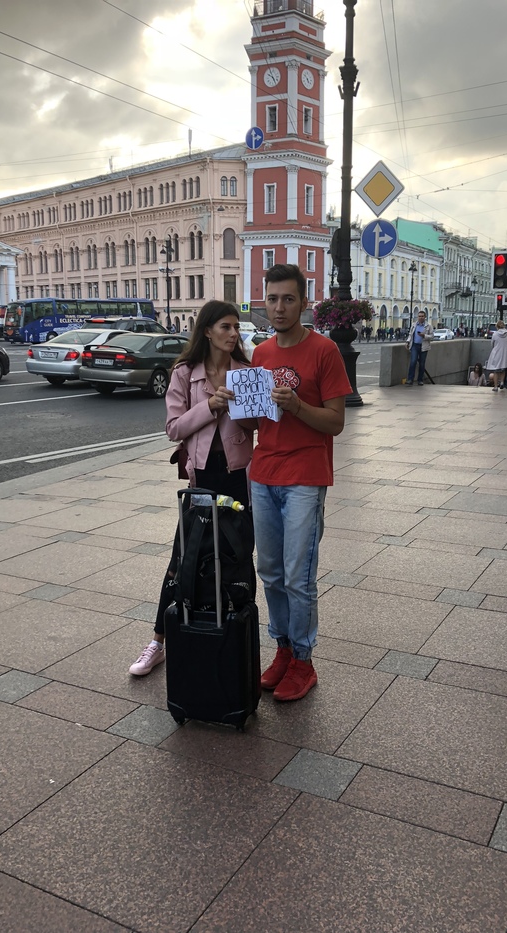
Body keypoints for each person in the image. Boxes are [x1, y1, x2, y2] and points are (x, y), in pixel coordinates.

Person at [129, 300, 254, 676]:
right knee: (183, 559)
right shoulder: (185, 373)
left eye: (236, 328)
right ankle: (158, 641)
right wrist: (211, 406)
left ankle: (236, 636)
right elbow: (173, 429)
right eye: (226, 328)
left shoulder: (246, 371)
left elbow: (256, 428)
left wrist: (246, 410)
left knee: (239, 559)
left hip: (239, 476)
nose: (233, 335)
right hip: (202, 478)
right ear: (207, 331)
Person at [250, 264, 351, 702]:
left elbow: (335, 422)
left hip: (305, 477)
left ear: (304, 303)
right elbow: (256, 422)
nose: (278, 307)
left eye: (288, 299)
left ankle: (304, 662)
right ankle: (282, 650)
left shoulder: (324, 350)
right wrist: (233, 401)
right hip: (263, 474)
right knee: (269, 572)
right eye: (272, 299)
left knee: (298, 575)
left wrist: (297, 407)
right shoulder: (261, 354)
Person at [406, 310, 434, 386]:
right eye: (419, 316)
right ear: (417, 317)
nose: (420, 317)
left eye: (422, 316)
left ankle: (420, 380)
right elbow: (410, 334)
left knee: (422, 364)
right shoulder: (414, 325)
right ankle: (410, 379)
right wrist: (408, 342)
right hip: (414, 345)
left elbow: (432, 336)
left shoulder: (428, 326)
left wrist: (424, 336)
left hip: (423, 346)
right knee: (413, 362)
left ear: (425, 317)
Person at [485, 320, 507, 391]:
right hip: (506, 352)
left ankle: (496, 386)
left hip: (497, 352)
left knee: (496, 370)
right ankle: (502, 382)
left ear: (497, 326)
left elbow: (492, 344)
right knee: (503, 368)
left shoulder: (495, 334)